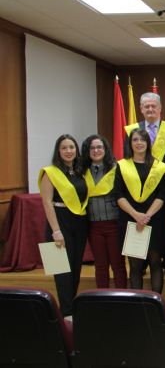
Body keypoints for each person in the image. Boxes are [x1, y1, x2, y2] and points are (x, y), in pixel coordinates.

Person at [124, 92, 165, 276]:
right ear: (140, 109)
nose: (149, 109)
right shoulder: (132, 129)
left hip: (163, 181)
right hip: (138, 182)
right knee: (141, 221)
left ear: (160, 108)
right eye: (146, 106)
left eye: (153, 106)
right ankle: (145, 260)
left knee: (163, 223)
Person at [38, 134, 89, 317]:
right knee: (61, 271)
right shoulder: (50, 172)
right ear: (58, 152)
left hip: (79, 223)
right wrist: (56, 231)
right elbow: (46, 202)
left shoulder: (80, 171)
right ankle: (66, 312)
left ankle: (71, 308)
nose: (69, 151)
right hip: (58, 223)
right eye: (64, 148)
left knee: (75, 269)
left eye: (72, 147)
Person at [114, 128, 165, 293]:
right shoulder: (122, 166)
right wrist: (136, 215)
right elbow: (118, 194)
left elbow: (162, 194)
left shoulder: (158, 167)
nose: (139, 143)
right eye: (135, 140)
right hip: (130, 219)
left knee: (155, 262)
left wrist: (147, 216)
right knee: (135, 265)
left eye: (142, 140)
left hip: (154, 219)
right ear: (130, 143)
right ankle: (138, 305)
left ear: (148, 143)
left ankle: (156, 305)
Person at [80, 134, 127, 289]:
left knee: (118, 265)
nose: (96, 150)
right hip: (93, 225)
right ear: (87, 151)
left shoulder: (117, 168)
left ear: (105, 149)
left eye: (99, 147)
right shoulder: (81, 171)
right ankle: (102, 299)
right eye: (92, 147)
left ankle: (122, 299)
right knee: (100, 266)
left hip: (114, 223)